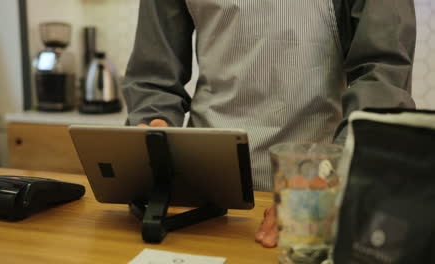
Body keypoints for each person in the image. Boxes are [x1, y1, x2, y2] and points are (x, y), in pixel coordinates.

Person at [122, 0, 416, 247]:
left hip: (316, 196)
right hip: (199, 201)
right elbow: (153, 77)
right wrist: (153, 124)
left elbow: (384, 76)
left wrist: (336, 174)